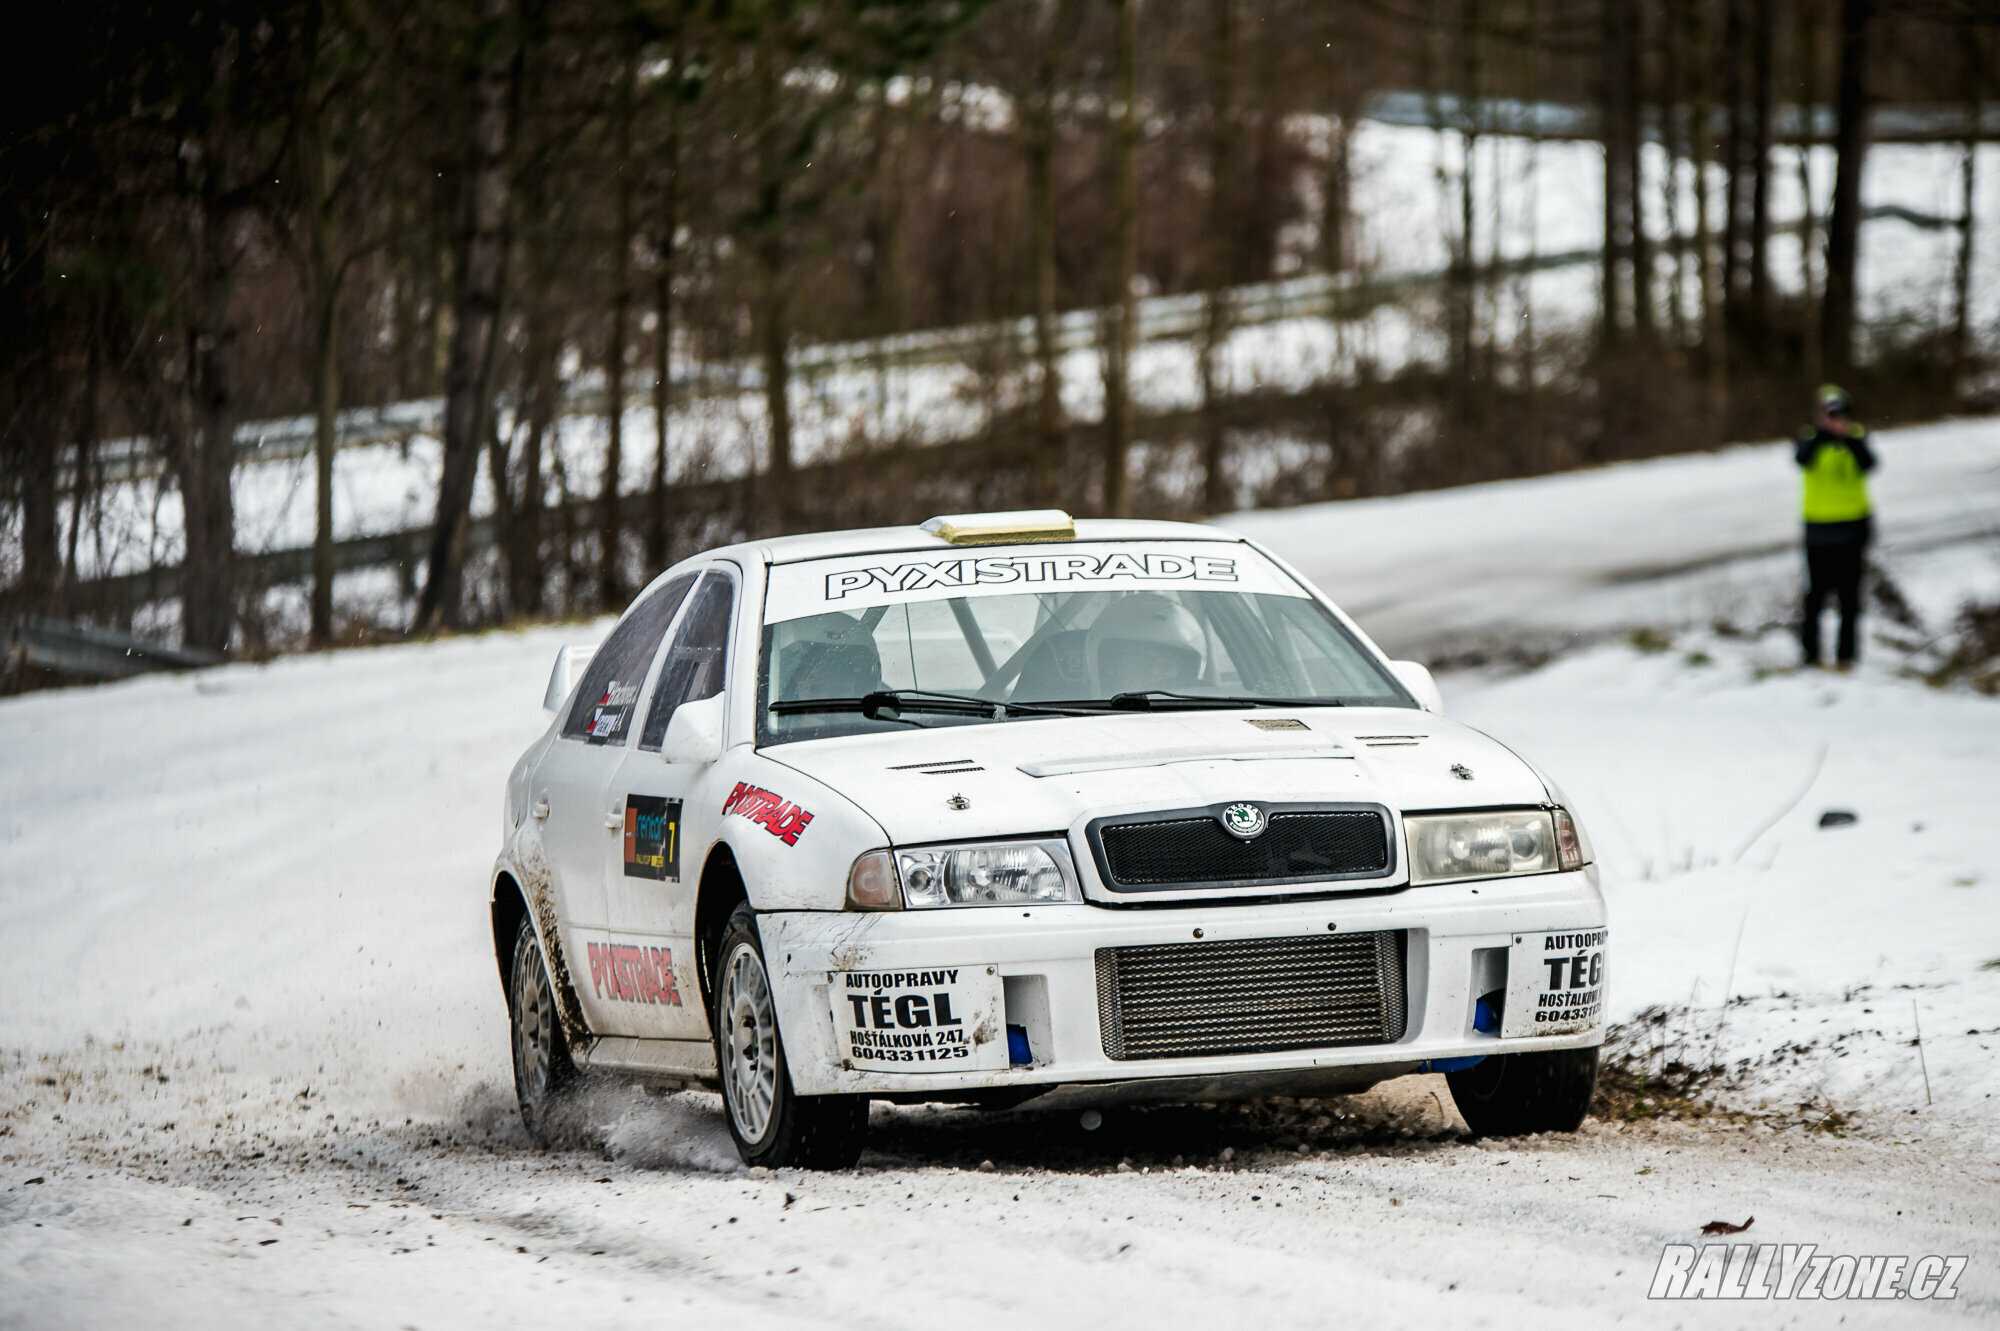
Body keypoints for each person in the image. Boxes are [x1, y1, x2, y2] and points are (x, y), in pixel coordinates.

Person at [1795, 384, 1876, 669]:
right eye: (1829, 413)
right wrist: (1823, 433)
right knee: (1815, 596)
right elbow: (1801, 458)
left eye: (1840, 413)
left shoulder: (1857, 439)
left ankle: (1846, 657)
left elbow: (1869, 464)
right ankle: (1810, 655)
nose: (1835, 419)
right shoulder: (1810, 438)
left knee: (1850, 597)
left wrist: (1847, 438)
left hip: (1852, 527)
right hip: (1818, 529)